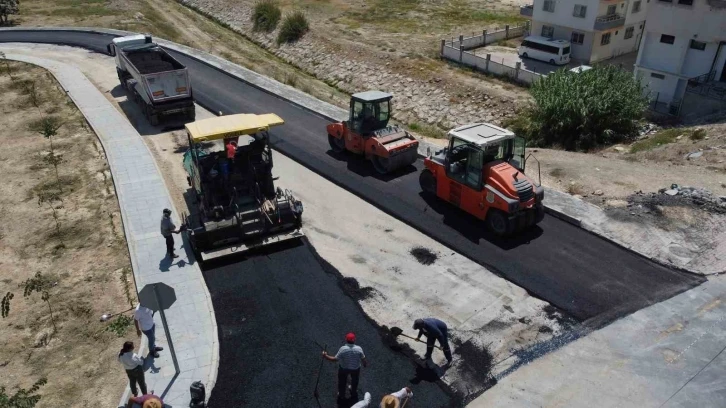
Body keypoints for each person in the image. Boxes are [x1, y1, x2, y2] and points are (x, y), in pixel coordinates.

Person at [322, 332, 368, 399]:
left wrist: (325, 356)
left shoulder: (343, 349)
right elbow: (363, 359)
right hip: (356, 369)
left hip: (344, 369)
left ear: (346, 339)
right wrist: (364, 364)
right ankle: (353, 391)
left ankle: (341, 394)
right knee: (355, 381)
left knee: (342, 382)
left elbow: (335, 359)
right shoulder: (359, 349)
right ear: (354, 340)